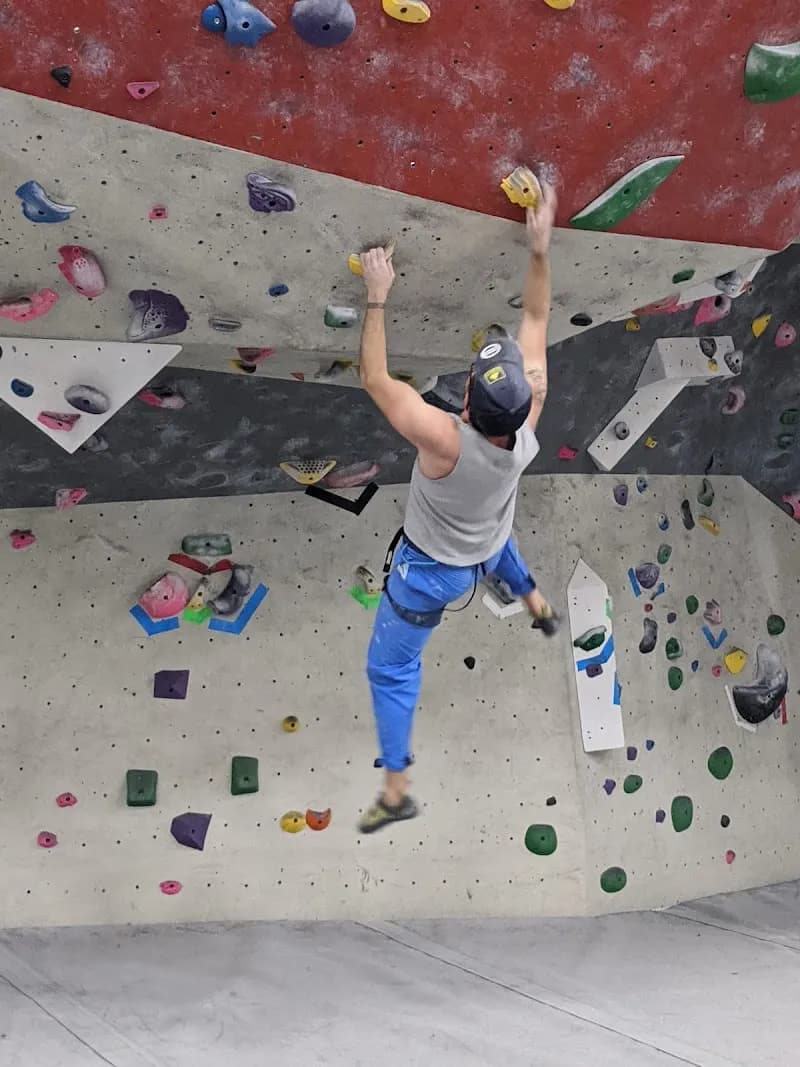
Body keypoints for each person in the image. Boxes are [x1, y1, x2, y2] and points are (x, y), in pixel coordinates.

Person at [356, 181, 560, 834]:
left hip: (434, 567)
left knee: (390, 668)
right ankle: (535, 603)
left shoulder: (443, 439)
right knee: (496, 542)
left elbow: (376, 380)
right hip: (481, 535)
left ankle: (395, 787)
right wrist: (539, 248)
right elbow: (535, 320)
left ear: (467, 403)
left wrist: (378, 295)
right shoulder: (530, 421)